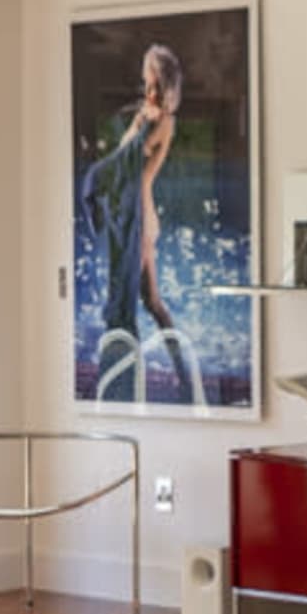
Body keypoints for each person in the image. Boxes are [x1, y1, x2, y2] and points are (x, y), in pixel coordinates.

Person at [78, 41, 191, 398]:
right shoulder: (145, 116)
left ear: (169, 87)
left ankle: (129, 379)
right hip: (133, 214)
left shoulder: (166, 123)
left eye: (158, 85)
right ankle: (183, 376)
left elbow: (126, 159)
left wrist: (142, 123)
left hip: (140, 219)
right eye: (148, 83)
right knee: (152, 302)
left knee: (134, 300)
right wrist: (139, 119)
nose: (151, 91)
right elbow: (122, 153)